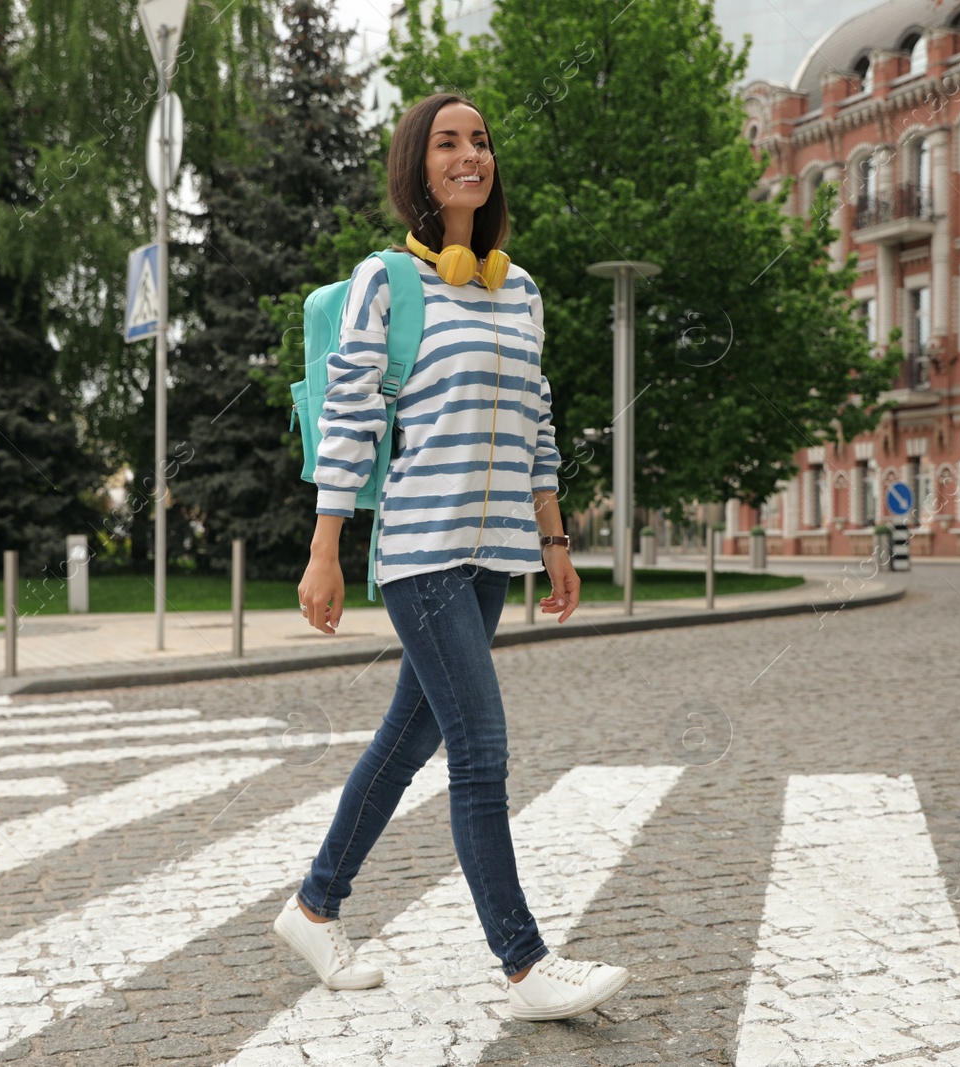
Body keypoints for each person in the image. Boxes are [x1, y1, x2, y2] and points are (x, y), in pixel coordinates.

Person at [273, 92, 628, 1022]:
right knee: (480, 747)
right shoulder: (386, 281)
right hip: (422, 549)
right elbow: (349, 419)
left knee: (410, 739)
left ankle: (314, 905)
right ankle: (525, 964)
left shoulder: (522, 290)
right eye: (447, 142)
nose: (470, 154)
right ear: (417, 166)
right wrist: (326, 549)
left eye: (480, 141)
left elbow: (537, 422)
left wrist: (554, 540)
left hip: (495, 554)